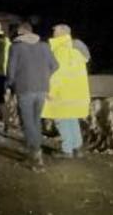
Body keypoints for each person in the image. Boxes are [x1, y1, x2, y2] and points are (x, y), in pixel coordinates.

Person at [6, 22, 58, 166]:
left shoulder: (16, 47)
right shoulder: (44, 46)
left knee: (28, 122)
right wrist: (44, 76)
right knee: (36, 120)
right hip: (42, 88)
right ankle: (35, 148)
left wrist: (10, 84)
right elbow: (55, 65)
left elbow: (11, 70)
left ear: (20, 32)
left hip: (24, 88)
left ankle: (35, 152)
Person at [42, 24, 91, 158]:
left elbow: (58, 74)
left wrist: (50, 91)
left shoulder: (61, 49)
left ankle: (66, 150)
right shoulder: (75, 50)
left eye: (56, 30)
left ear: (63, 32)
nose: (53, 31)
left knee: (62, 120)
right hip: (75, 92)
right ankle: (77, 147)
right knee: (71, 119)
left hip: (63, 93)